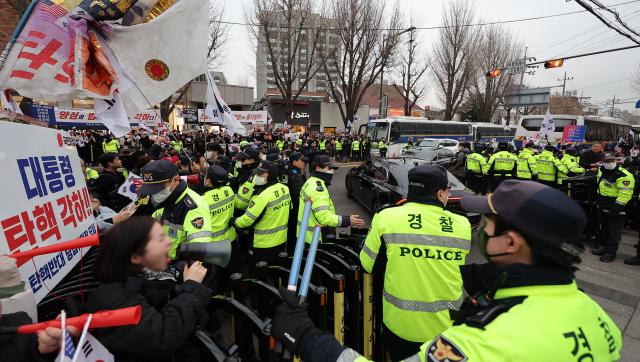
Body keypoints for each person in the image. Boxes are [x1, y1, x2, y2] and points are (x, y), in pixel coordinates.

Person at [271, 180, 622, 362]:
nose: (480, 229)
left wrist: (305, 337)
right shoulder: (600, 319)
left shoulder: (485, 344)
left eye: (487, 222)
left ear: (511, 242)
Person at [359, 164, 471, 360]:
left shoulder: (386, 217)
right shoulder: (462, 224)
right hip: (446, 330)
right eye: (448, 190)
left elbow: (368, 265)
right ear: (439, 193)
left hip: (400, 325)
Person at [87, 217, 212, 362]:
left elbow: (159, 283)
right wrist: (191, 287)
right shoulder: (114, 301)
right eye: (160, 239)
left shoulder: (137, 275)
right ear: (136, 256)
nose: (169, 242)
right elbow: (164, 337)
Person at [139, 160, 213, 259]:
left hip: (176, 264)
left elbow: (199, 248)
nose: (154, 194)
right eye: (151, 190)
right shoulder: (167, 199)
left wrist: (181, 266)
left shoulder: (193, 207)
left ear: (176, 180)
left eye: (159, 189)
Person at [297, 155, 365, 243]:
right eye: (329, 168)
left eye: (333, 169)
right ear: (318, 168)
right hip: (317, 237)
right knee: (356, 241)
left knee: (352, 234)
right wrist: (347, 220)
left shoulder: (311, 181)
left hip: (310, 233)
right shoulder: (318, 189)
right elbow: (324, 217)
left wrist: (347, 220)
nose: (332, 172)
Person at [234, 161, 291, 264]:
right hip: (281, 240)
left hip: (262, 243)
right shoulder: (284, 188)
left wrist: (234, 221)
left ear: (268, 175)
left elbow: (246, 221)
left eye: (259, 174)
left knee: (258, 274)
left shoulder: (261, 196)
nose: (256, 176)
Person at [592, 153, 635, 262]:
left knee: (613, 231)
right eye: (606, 161)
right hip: (603, 203)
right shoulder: (601, 169)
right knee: (604, 228)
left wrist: (617, 207)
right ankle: (603, 247)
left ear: (616, 160)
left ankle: (610, 253)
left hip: (617, 205)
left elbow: (625, 194)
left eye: (611, 161)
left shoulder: (624, 175)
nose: (608, 163)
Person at [202, 165, 236, 243]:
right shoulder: (229, 190)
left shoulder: (203, 199)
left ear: (208, 181)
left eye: (205, 176)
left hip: (214, 243)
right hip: (230, 238)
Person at [287, 152, 308, 252]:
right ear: (295, 162)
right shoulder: (295, 174)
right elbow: (299, 194)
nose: (304, 162)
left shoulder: (297, 171)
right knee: (294, 232)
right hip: (296, 209)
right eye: (302, 161)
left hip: (292, 208)